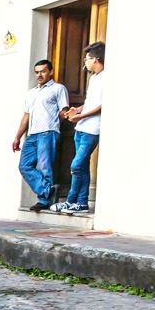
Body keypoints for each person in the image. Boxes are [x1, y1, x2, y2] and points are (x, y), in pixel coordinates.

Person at [12, 59, 71, 212]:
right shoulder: (31, 93)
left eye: (43, 71)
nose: (39, 75)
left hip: (48, 132)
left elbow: (64, 110)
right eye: (37, 72)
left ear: (50, 72)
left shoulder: (58, 89)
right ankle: (48, 190)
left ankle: (44, 200)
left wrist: (57, 123)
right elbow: (26, 116)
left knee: (45, 167)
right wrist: (17, 137)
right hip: (31, 135)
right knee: (24, 166)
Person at [56, 42, 104, 214]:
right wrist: (77, 109)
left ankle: (70, 200)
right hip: (81, 128)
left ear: (96, 59)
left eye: (88, 58)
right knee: (82, 166)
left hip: (93, 129)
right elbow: (90, 103)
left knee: (76, 165)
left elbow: (102, 106)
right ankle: (82, 203)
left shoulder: (107, 78)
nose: (85, 62)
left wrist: (80, 116)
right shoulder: (94, 79)